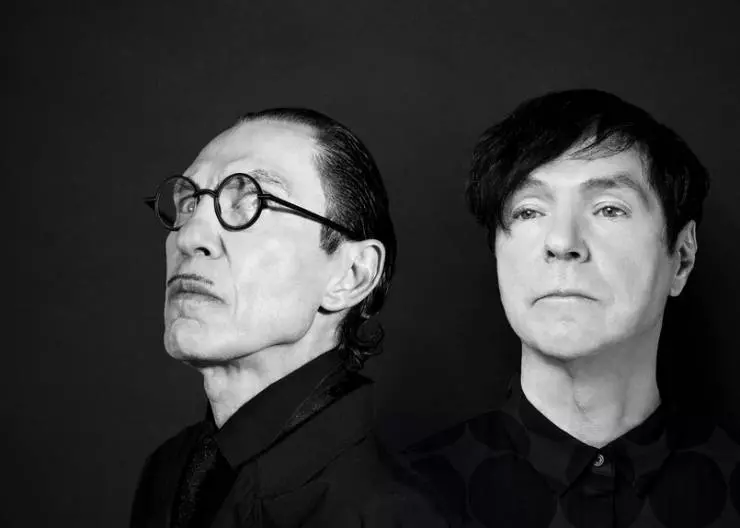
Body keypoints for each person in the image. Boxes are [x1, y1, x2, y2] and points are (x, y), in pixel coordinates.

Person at [406, 89, 740, 527]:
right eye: (529, 211)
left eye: (609, 209)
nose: (562, 242)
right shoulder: (402, 501)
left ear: (682, 256)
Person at [131, 108, 449, 527]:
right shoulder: (168, 471)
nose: (190, 236)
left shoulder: (386, 514)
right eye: (189, 203)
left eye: (252, 202)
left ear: (351, 275)